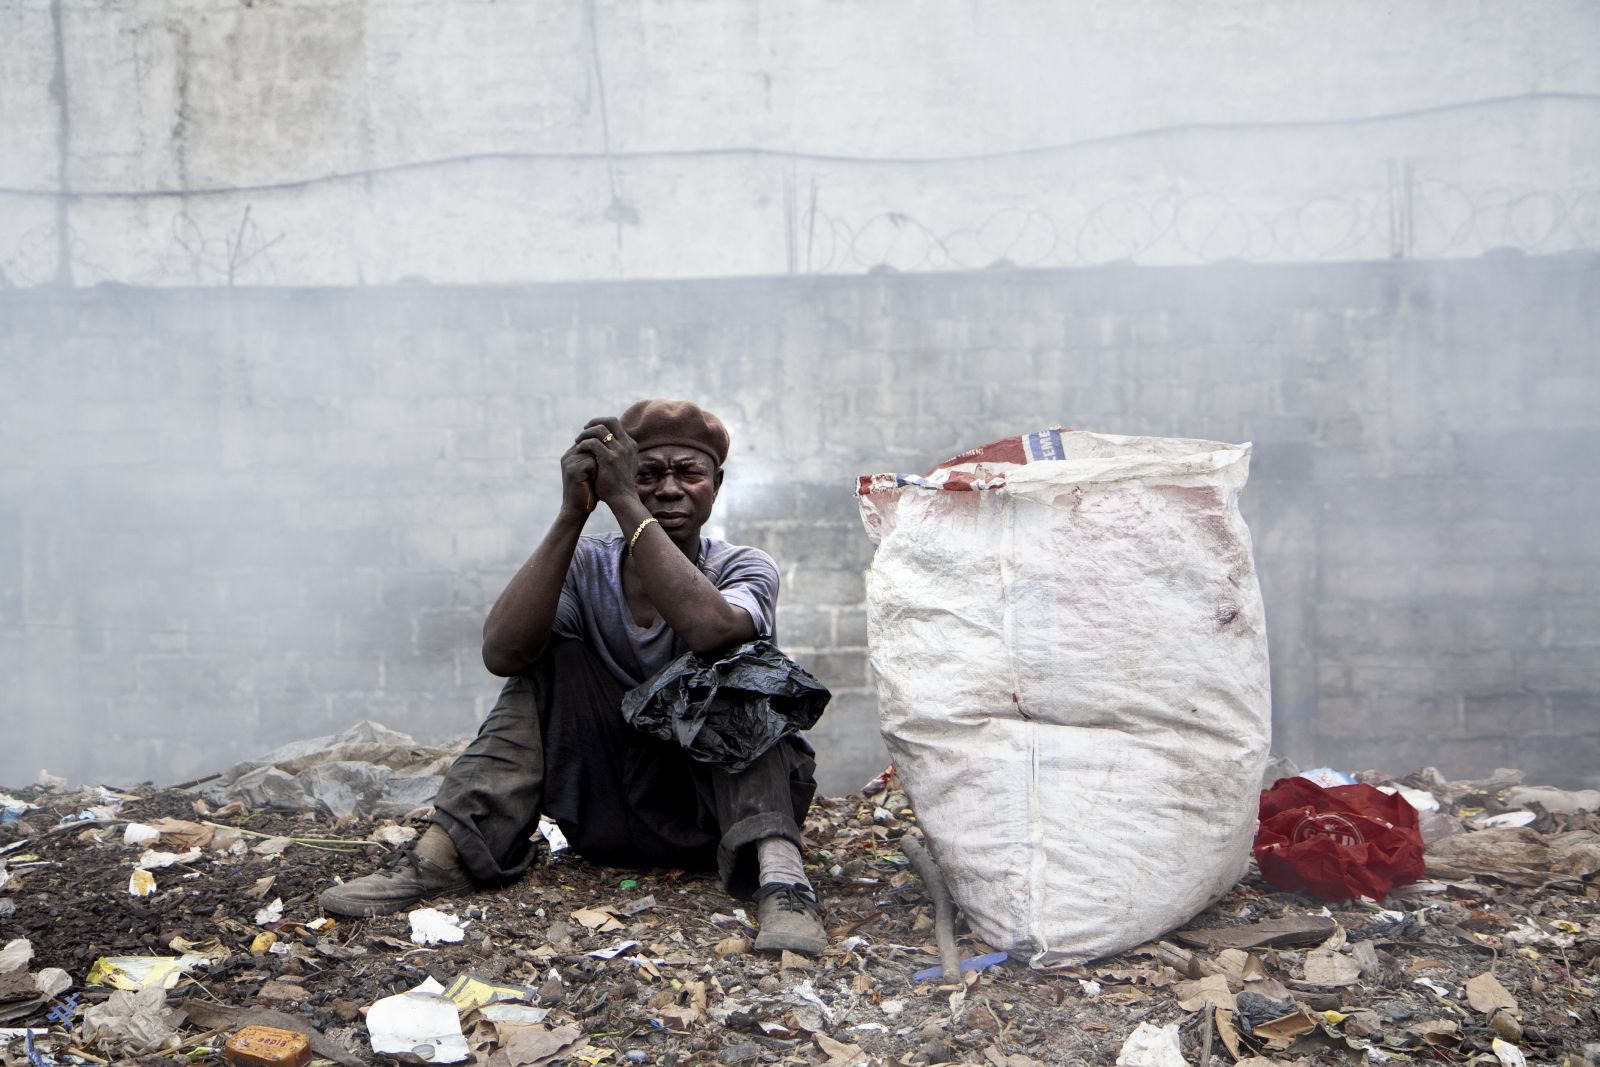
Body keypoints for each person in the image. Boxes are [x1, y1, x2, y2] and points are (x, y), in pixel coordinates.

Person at [319, 399, 827, 954]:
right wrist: (573, 514)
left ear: (717, 483)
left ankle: (783, 883)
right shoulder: (584, 566)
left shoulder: (743, 566)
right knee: (542, 663)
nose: (670, 489)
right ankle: (442, 855)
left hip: (712, 815)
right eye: (648, 475)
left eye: (689, 473)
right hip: (604, 807)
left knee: (740, 670)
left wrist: (628, 502)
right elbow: (503, 653)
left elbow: (712, 630)